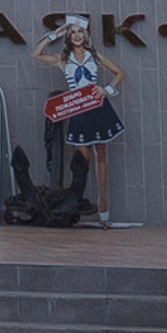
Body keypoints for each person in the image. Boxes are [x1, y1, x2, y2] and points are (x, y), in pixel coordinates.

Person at [33, 13, 124, 224]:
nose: (77, 35)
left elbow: (119, 72)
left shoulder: (96, 56)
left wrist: (107, 89)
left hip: (98, 107)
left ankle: (103, 201)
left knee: (101, 152)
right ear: (68, 36)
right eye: (73, 32)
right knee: (83, 159)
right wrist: (57, 32)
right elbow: (36, 53)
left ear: (86, 35)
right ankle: (79, 203)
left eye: (80, 31)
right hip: (78, 108)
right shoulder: (63, 59)